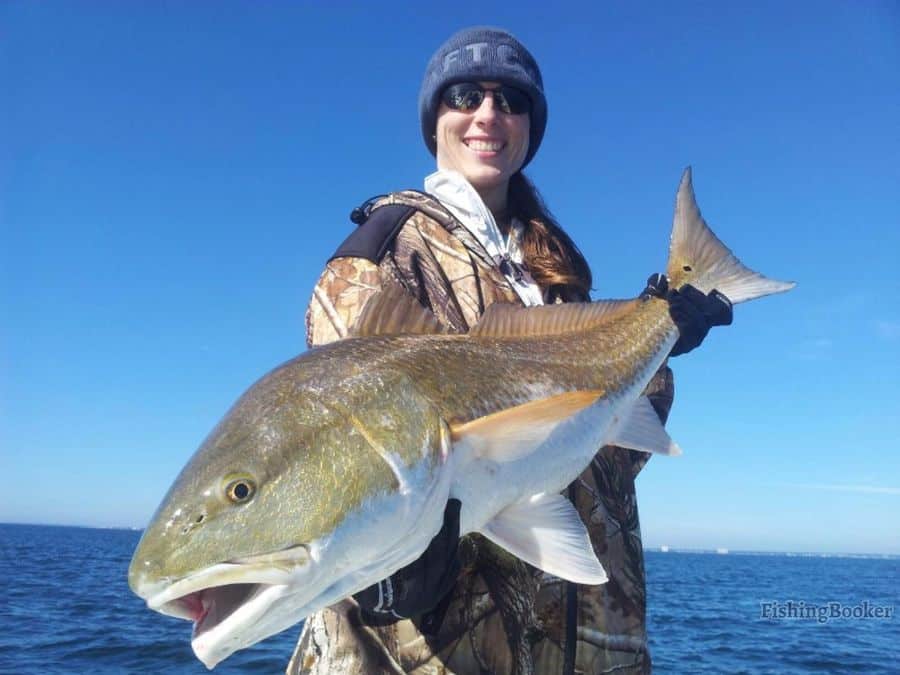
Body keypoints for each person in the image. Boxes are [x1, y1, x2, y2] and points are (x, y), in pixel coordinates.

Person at [288, 26, 731, 675]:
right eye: (465, 94)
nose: (489, 114)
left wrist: (659, 341)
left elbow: (605, 468)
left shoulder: (558, 273)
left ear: (530, 126)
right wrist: (394, 566)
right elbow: (355, 449)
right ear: (434, 119)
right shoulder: (386, 254)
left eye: (513, 100)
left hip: (595, 649)